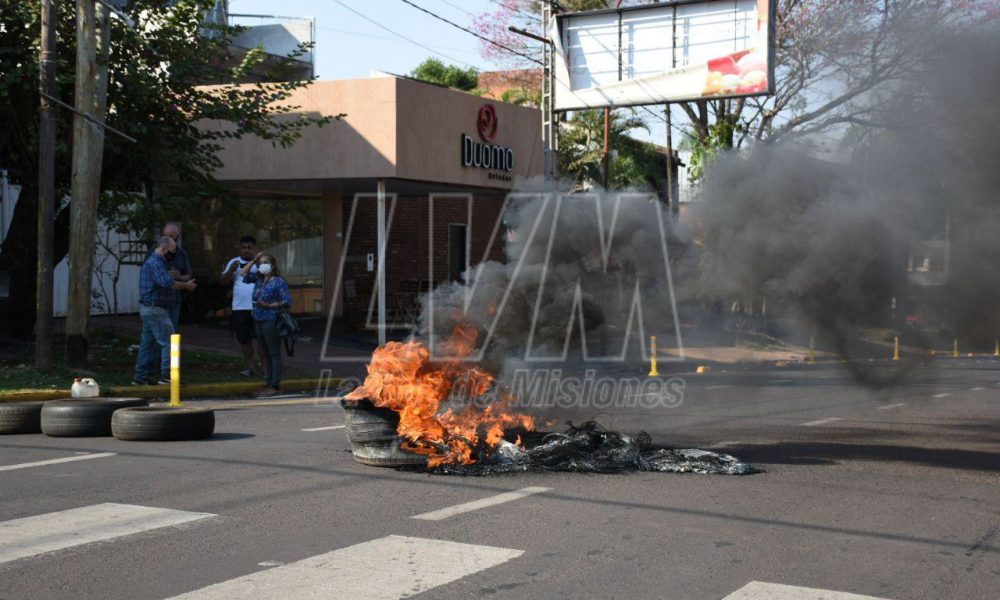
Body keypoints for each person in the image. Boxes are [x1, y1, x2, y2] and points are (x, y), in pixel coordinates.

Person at [133, 236, 197, 385]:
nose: (173, 255)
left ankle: (140, 377)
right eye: (172, 251)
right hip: (156, 308)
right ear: (164, 249)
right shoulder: (156, 262)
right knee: (170, 342)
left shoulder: (159, 262)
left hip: (151, 307)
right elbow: (166, 283)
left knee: (148, 344)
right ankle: (168, 376)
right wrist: (186, 285)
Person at [240, 252, 291, 397]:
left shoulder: (278, 281)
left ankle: (274, 384)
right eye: (260, 263)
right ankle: (268, 383)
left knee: (273, 352)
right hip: (258, 319)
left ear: (273, 265)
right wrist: (254, 260)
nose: (262, 265)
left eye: (265, 262)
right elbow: (243, 273)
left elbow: (287, 301)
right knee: (265, 353)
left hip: (271, 319)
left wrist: (269, 305)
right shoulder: (259, 279)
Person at [220, 235, 258, 377]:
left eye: (249, 248)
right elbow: (222, 281)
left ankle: (267, 369)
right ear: (240, 248)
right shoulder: (234, 262)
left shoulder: (261, 262)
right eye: (244, 248)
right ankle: (250, 367)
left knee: (261, 339)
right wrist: (231, 270)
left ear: (255, 248)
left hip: (259, 307)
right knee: (244, 339)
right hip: (240, 307)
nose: (246, 250)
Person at [161, 223, 193, 329]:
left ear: (177, 236)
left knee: (171, 329)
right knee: (157, 332)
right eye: (166, 236)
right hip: (158, 299)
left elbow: (188, 275)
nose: (169, 240)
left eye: (172, 237)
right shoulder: (155, 252)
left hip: (174, 299)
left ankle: (171, 346)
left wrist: (179, 276)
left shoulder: (181, 253)